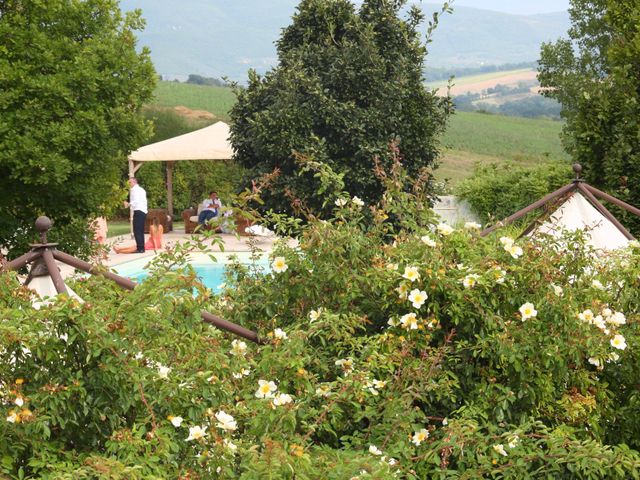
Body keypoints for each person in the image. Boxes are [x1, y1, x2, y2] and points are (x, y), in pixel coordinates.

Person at [125, 177, 148, 253]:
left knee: (137, 230)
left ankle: (140, 248)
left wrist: (128, 204)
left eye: (130, 182)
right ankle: (141, 247)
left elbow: (136, 201)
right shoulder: (141, 189)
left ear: (134, 182)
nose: (129, 184)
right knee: (140, 230)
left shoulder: (135, 190)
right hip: (143, 211)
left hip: (139, 211)